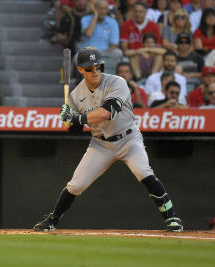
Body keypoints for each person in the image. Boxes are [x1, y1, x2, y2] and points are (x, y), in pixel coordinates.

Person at [33, 47, 183, 232]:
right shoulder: (75, 96)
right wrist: (68, 121)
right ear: (80, 70)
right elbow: (75, 131)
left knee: (142, 171)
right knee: (76, 184)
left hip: (128, 138)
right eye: (89, 68)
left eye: (98, 66)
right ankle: (52, 220)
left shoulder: (117, 82)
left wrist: (77, 118)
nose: (95, 71)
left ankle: (172, 218)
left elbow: (107, 113)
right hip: (100, 144)